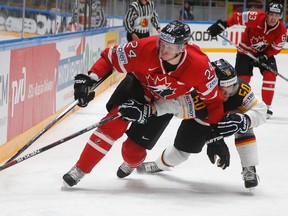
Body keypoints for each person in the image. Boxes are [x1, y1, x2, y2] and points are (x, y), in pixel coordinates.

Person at [62, 20, 225, 187]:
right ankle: (80, 169)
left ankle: (132, 163)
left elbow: (214, 103)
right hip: (138, 85)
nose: (163, 49)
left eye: (169, 47)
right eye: (162, 43)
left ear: (182, 48)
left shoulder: (200, 67)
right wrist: (91, 78)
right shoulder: (145, 47)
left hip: (163, 103)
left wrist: (216, 137)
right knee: (113, 122)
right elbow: (110, 57)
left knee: (131, 152)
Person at [133, 59, 266, 189]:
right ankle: (159, 165)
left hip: (225, 121)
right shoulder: (196, 91)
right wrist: (152, 109)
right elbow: (174, 105)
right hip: (200, 122)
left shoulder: (241, 90)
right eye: (222, 86)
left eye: (231, 85)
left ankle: (249, 167)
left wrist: (245, 120)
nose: (228, 91)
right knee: (180, 154)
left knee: (245, 125)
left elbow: (261, 111)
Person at [207, 2, 287, 119]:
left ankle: (266, 107)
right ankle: (237, 103)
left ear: (280, 16)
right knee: (242, 80)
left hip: (264, 54)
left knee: (270, 75)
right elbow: (237, 17)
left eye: (276, 15)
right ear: (266, 14)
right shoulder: (255, 17)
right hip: (245, 52)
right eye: (271, 14)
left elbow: (276, 48)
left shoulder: (282, 31)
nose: (273, 18)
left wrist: (265, 56)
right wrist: (223, 24)